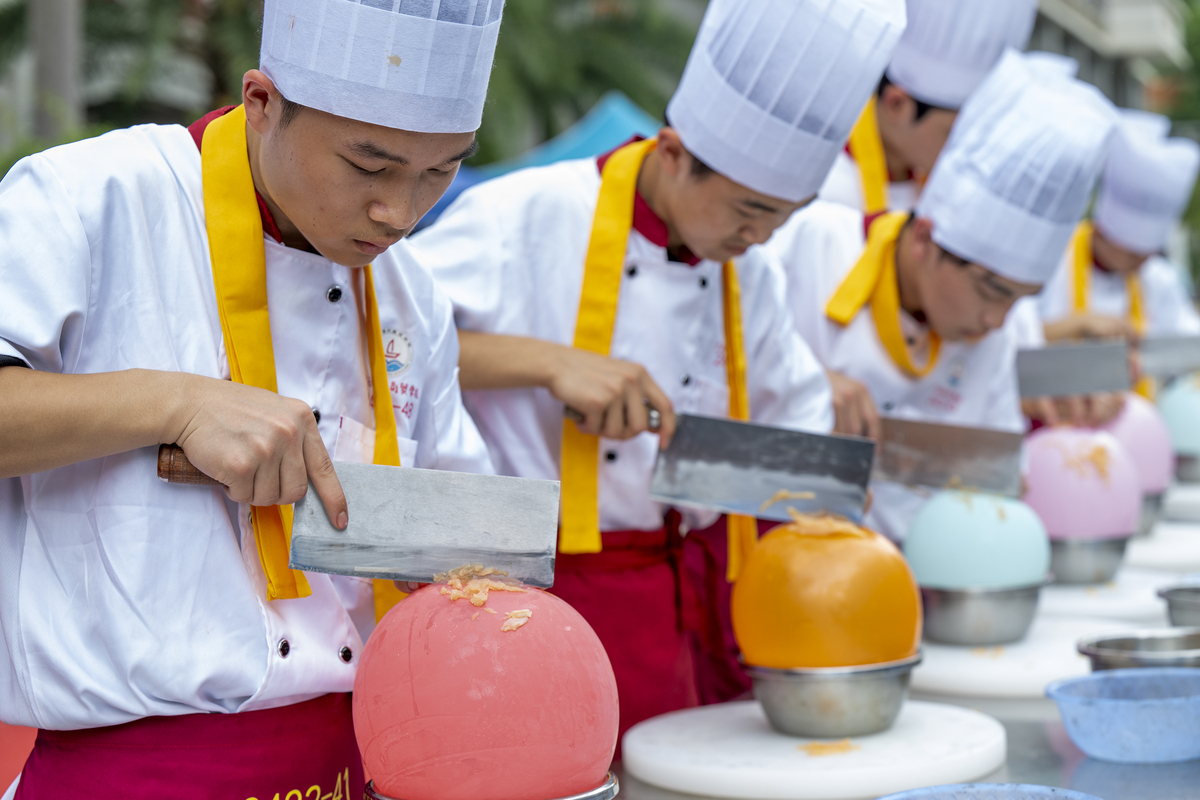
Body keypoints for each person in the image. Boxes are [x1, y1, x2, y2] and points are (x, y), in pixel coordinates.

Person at [0, 0, 501, 796]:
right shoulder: (91, 199)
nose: (400, 214)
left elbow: (458, 531)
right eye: (369, 167)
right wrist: (175, 403)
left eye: (440, 172)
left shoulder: (411, 290)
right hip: (136, 773)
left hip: (360, 766)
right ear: (262, 103)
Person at [409, 0, 907, 743]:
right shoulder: (524, 215)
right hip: (552, 599)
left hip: (702, 598)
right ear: (672, 152)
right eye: (748, 209)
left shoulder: (751, 270)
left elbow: (796, 421)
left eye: (783, 217)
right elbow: (389, 352)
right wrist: (549, 365)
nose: (760, 237)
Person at [764, 49, 1117, 543]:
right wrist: (800, 383)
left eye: (1020, 298)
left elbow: (991, 491)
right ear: (925, 241)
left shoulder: (1002, 330)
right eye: (990, 290)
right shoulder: (808, 246)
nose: (997, 319)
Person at [820, 0, 1038, 222]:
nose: (966, 148)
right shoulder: (824, 188)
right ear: (897, 104)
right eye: (953, 132)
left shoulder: (942, 195)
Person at [1039, 110, 1200, 347]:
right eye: (1133, 253)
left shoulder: (1157, 277)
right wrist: (1077, 324)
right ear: (1103, 234)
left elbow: (1188, 338)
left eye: (1149, 254)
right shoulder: (1051, 261)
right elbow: (1010, 338)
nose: (1143, 263)